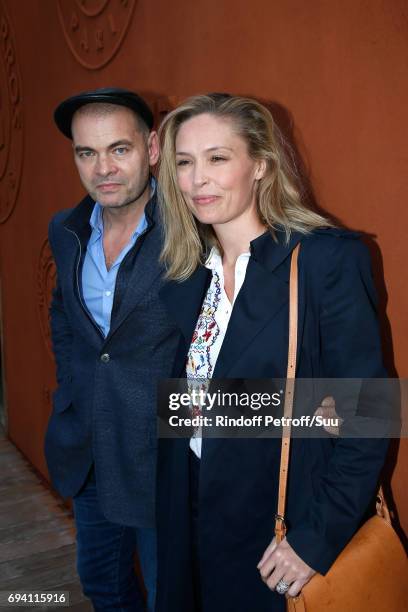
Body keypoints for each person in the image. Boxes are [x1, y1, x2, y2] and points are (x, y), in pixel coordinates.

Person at [155, 93, 389, 612]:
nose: (198, 180)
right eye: (184, 163)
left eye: (218, 158)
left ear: (260, 164)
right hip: (189, 516)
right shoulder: (188, 272)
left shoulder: (326, 260)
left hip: (278, 529)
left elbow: (368, 414)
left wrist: (315, 539)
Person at [46, 88, 180, 612]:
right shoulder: (66, 229)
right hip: (90, 447)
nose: (103, 168)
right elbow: (64, 313)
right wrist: (75, 387)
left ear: (150, 148)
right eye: (87, 152)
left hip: (161, 455)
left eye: (118, 149)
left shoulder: (190, 228)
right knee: (101, 583)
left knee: (167, 597)